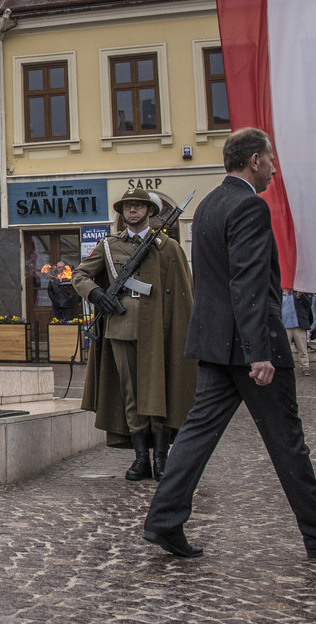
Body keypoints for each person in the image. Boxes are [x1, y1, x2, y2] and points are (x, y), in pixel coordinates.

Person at [143, 127, 316, 560]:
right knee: (287, 441)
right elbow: (248, 283)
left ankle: (164, 519)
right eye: (270, 160)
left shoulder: (210, 204)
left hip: (215, 341)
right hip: (252, 344)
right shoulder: (250, 205)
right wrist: (259, 352)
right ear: (254, 160)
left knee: (197, 434)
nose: (273, 169)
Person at [73, 191, 196, 482]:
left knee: (158, 391)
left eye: (138, 206)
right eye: (128, 206)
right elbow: (80, 276)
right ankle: (141, 458)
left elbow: (184, 291)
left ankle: (161, 457)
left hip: (159, 330)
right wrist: (97, 294)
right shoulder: (108, 245)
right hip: (122, 326)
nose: (133, 210)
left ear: (150, 211)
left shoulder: (168, 247)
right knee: (131, 394)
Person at [281, 288, 312, 376]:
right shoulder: (279, 296)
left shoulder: (297, 294)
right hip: (284, 326)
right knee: (284, 349)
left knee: (302, 348)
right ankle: (284, 367)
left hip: (298, 325)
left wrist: (301, 295)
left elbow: (308, 304)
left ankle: (305, 367)